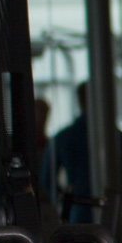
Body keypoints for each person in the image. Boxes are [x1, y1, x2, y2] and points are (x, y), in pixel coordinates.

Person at [40, 85, 97, 223]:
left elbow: (47, 180)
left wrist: (66, 199)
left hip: (78, 212)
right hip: (112, 212)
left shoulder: (63, 137)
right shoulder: (116, 136)